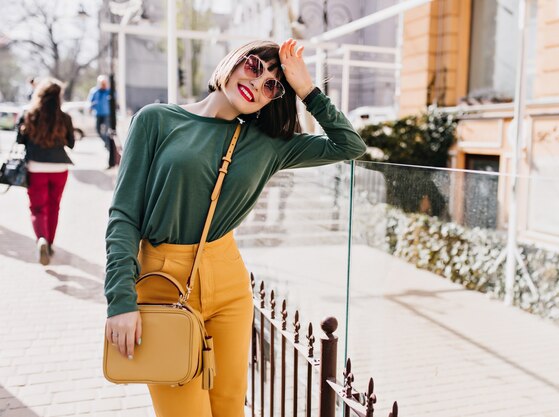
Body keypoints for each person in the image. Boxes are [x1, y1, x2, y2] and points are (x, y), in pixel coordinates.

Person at [104, 39, 366, 417]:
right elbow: (124, 215)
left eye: (273, 85)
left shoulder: (269, 145)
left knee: (229, 406)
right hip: (161, 280)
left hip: (227, 282)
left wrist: (306, 89)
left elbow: (350, 145)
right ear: (233, 60)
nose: (258, 84)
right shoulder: (156, 120)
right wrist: (120, 299)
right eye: (255, 67)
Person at [17, 78, 75, 265]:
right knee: (54, 206)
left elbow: (20, 140)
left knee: (38, 208)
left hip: (36, 167)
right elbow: (71, 143)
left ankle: (41, 238)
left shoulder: (30, 114)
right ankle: (50, 243)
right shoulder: (64, 117)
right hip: (59, 168)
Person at [87, 74, 117, 168]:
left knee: (108, 131)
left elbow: (115, 99)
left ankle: (108, 144)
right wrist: (91, 106)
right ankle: (106, 143)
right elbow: (90, 102)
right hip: (98, 114)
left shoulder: (109, 91)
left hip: (107, 114)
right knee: (98, 130)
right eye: (102, 83)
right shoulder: (94, 91)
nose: (103, 85)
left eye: (105, 83)